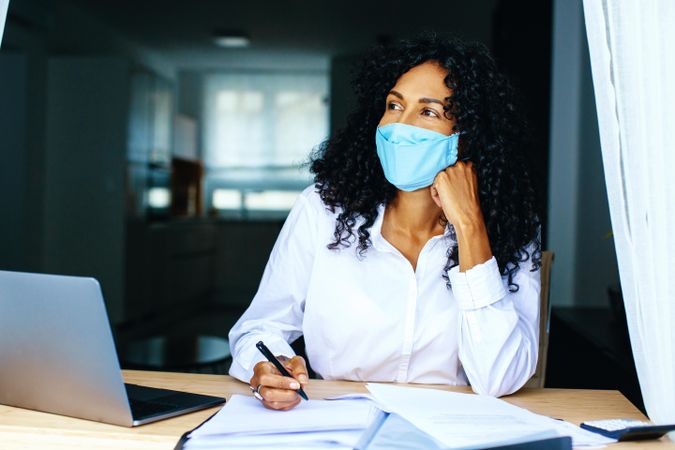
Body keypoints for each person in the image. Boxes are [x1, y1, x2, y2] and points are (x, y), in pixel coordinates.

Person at [228, 34, 542, 411]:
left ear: (468, 137)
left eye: (428, 112)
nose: (400, 126)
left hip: (452, 430)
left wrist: (471, 226)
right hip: (338, 423)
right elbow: (259, 329)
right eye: (394, 105)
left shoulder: (511, 228)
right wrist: (268, 366)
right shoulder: (323, 211)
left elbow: (500, 378)